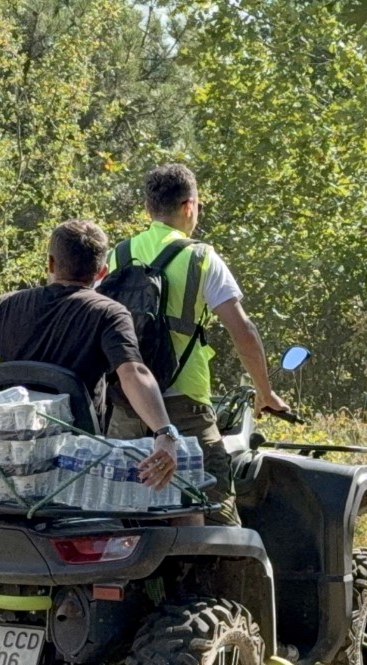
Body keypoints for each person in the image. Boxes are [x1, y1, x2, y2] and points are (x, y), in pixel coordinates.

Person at [0, 219, 178, 490]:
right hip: (73, 470)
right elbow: (133, 373)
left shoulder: (6, 307)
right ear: (102, 272)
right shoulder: (109, 313)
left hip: (4, 466)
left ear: (51, 263)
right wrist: (164, 433)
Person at [104, 163, 290, 526]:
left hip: (126, 406)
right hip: (184, 404)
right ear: (190, 206)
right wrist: (265, 392)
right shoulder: (202, 257)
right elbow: (244, 332)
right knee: (215, 510)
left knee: (123, 515)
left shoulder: (118, 256)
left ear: (149, 209)